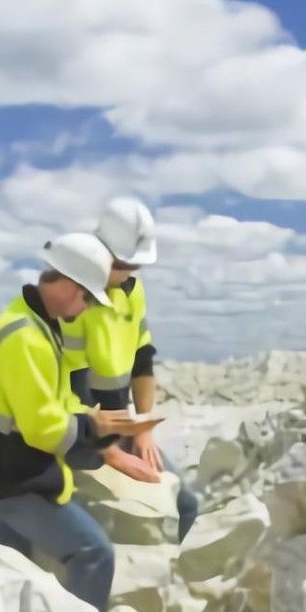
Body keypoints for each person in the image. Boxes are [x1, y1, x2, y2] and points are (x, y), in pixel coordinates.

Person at [0, 231, 161, 612]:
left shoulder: (39, 324)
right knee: (93, 552)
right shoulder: (24, 336)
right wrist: (98, 435)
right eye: (86, 297)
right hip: (8, 476)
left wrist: (95, 418)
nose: (85, 309)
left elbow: (54, 399)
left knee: (7, 568)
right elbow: (44, 427)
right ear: (67, 285)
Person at [61, 196, 200, 543]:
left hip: (117, 422)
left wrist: (142, 431)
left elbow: (142, 359)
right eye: (123, 263)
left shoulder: (132, 291)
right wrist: (109, 451)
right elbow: (70, 382)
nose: (128, 273)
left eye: (135, 266)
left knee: (187, 504)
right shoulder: (71, 296)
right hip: (75, 426)